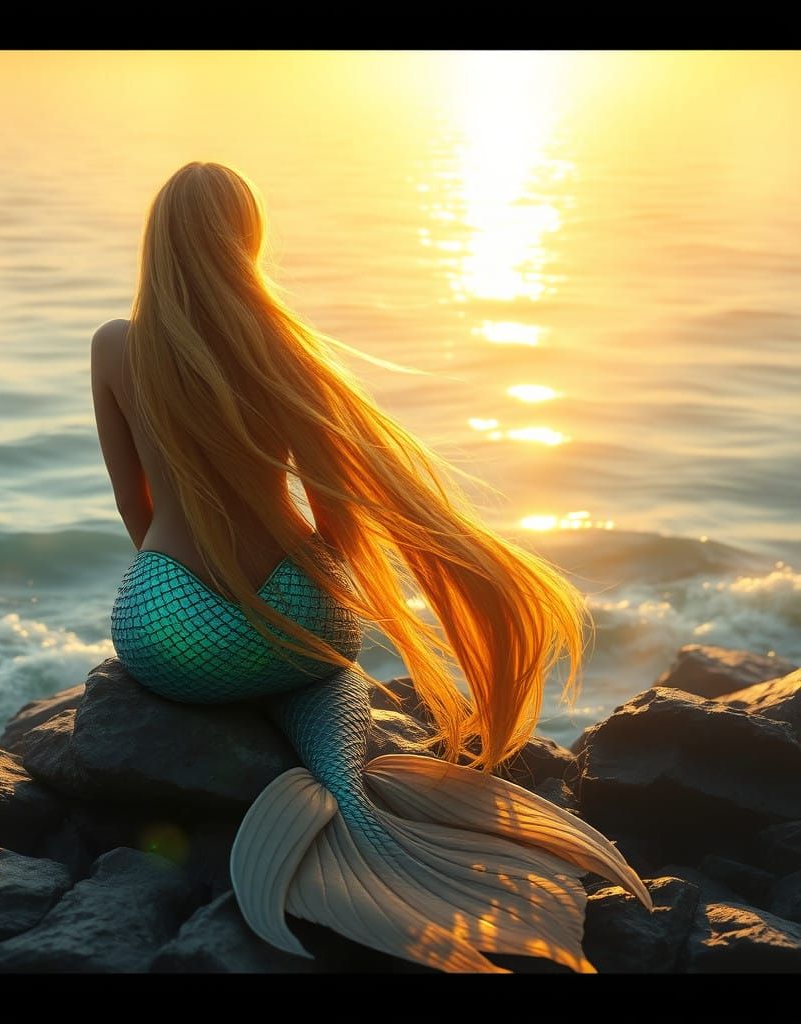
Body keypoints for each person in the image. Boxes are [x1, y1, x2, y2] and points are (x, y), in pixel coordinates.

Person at [91, 161, 652, 973]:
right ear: (246, 238)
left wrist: (187, 580)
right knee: (330, 681)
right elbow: (338, 513)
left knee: (258, 651)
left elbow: (132, 503)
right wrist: (317, 593)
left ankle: (326, 826)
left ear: (160, 240)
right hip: (297, 607)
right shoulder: (284, 346)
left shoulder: (116, 345)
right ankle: (351, 793)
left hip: (176, 624)